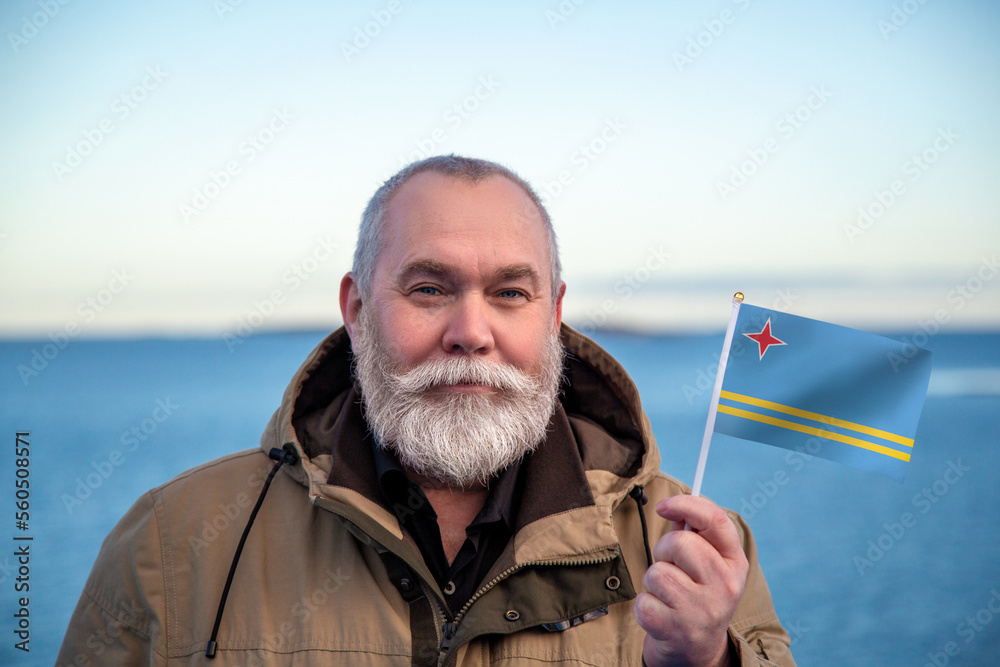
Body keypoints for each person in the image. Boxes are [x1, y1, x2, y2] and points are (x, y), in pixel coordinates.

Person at [58, 155, 795, 666]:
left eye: (511, 293)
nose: (471, 331)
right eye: (430, 289)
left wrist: (708, 660)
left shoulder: (695, 554)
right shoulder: (175, 541)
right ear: (356, 309)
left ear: (554, 313)